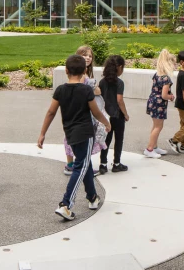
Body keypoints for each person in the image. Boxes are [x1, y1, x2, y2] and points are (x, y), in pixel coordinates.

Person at [37, 54, 111, 221]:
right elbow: (96, 111)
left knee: (85, 162)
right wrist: (106, 123)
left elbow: (51, 112)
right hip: (85, 133)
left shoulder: (60, 90)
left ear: (66, 70)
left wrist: (42, 133)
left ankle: (92, 197)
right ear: (85, 70)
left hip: (70, 133)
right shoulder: (86, 90)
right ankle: (66, 204)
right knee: (80, 167)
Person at [63, 45, 100, 175]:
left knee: (73, 136)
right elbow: (95, 91)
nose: (88, 58)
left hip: (77, 109)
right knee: (82, 138)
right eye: (85, 55)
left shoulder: (85, 73)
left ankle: (73, 164)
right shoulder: (81, 75)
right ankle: (77, 165)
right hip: (81, 110)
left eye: (90, 56)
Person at [99, 55, 129, 174]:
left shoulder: (102, 81)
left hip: (105, 116)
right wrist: (125, 114)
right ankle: (116, 163)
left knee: (106, 140)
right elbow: (119, 100)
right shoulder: (119, 82)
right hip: (117, 115)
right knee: (119, 139)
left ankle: (103, 164)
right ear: (120, 67)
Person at [144, 49, 176, 158]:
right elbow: (164, 95)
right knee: (158, 126)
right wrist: (170, 96)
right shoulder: (166, 78)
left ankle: (155, 146)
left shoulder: (157, 75)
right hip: (159, 104)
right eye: (173, 63)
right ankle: (149, 148)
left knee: (155, 125)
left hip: (152, 101)